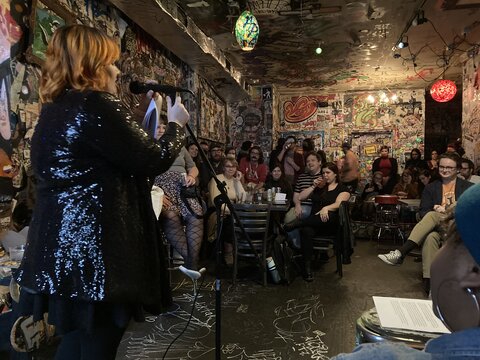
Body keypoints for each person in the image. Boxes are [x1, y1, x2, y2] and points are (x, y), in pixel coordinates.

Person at [13, 25, 189, 359]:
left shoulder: (54, 111)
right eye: (110, 63)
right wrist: (177, 125)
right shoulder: (97, 106)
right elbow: (154, 158)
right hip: (97, 259)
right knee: (97, 347)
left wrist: (139, 116)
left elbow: (107, 159)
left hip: (62, 255)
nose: (117, 70)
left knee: (77, 342)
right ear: (92, 65)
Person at [332, 183, 480, 359]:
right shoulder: (433, 188)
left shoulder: (381, 356)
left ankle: (401, 252)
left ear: (472, 271)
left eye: (447, 240)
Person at [378, 153, 473, 293]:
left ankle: (402, 252)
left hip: (459, 228)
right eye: (442, 166)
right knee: (430, 237)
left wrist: (446, 211)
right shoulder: (431, 187)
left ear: (457, 169)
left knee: (434, 214)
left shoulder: (468, 187)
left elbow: (471, 211)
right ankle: (430, 285)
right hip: (439, 228)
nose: (445, 170)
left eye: (449, 167)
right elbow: (423, 211)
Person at [283, 162, 350, 282]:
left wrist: (326, 208)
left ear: (335, 174)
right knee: (306, 231)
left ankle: (298, 223)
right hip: (314, 223)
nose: (325, 175)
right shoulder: (319, 188)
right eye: (323, 173)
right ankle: (307, 269)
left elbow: (339, 204)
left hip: (329, 225)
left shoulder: (342, 188)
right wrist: (312, 186)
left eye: (328, 172)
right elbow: (300, 197)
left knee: (329, 216)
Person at [154, 117, 203, 271]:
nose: (161, 130)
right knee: (170, 216)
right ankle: (192, 264)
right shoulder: (149, 147)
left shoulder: (179, 147)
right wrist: (155, 195)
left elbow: (193, 167)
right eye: (158, 127)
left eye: (164, 127)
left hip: (182, 188)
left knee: (196, 214)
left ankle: (190, 264)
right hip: (160, 190)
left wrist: (191, 176)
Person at [207, 156, 245, 265]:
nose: (231, 169)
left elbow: (243, 197)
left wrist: (238, 182)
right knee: (229, 222)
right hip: (220, 211)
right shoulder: (217, 179)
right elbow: (216, 201)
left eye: (233, 166)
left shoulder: (235, 180)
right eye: (228, 166)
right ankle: (228, 252)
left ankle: (240, 252)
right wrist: (232, 211)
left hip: (235, 211)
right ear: (223, 167)